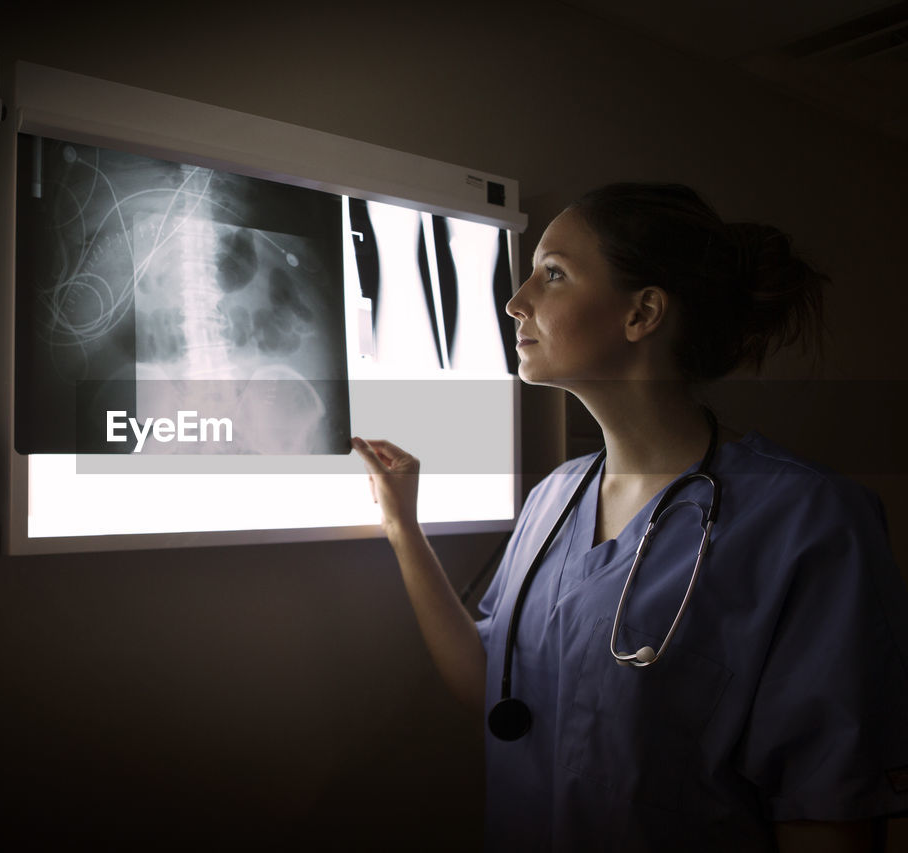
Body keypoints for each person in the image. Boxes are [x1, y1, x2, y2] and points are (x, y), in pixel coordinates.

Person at [352, 182, 908, 851]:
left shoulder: (808, 522)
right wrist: (402, 526)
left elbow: (828, 808)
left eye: (552, 274)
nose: (514, 301)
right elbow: (494, 689)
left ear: (642, 312)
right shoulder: (553, 500)